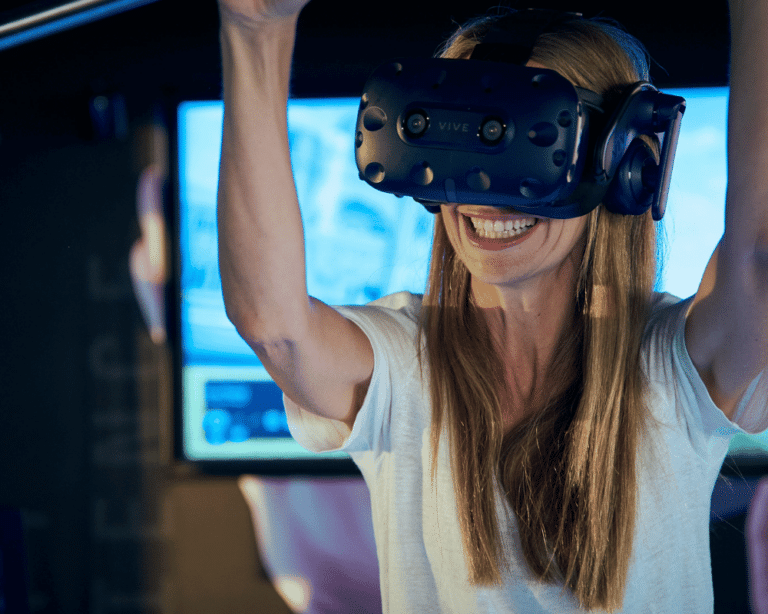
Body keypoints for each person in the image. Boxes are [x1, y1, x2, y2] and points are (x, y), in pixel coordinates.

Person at [215, 0, 768, 611]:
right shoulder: (406, 368)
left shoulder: (669, 372)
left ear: (625, 168)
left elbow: (760, 259)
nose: (490, 197)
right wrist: (257, 29)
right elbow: (275, 326)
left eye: (529, 147)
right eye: (470, 145)